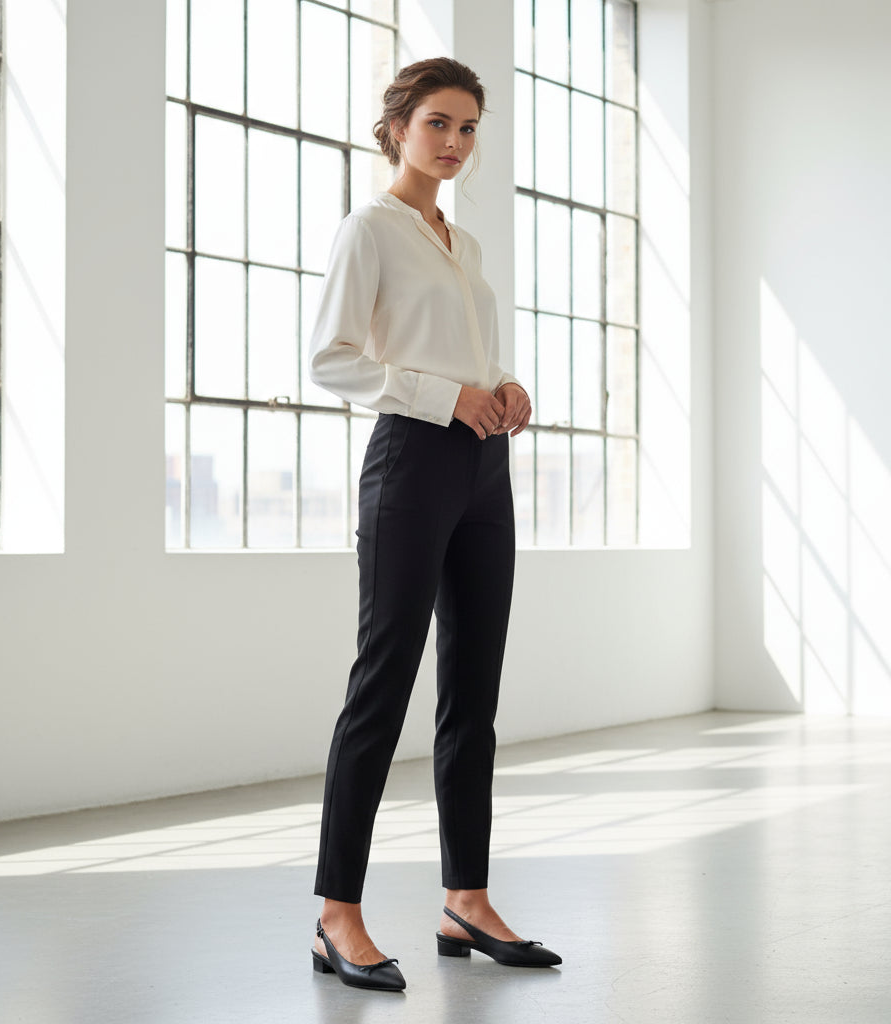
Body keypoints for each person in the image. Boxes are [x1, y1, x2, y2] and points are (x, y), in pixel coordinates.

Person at [307, 57, 562, 992]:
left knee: (474, 694)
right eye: (438, 124)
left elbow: (471, 356)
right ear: (399, 126)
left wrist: (503, 386)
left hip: (482, 469)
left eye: (467, 129)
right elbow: (330, 361)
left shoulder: (464, 243)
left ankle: (467, 898)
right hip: (410, 466)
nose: (454, 143)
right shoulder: (370, 228)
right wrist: (443, 395)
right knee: (382, 687)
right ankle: (338, 914)